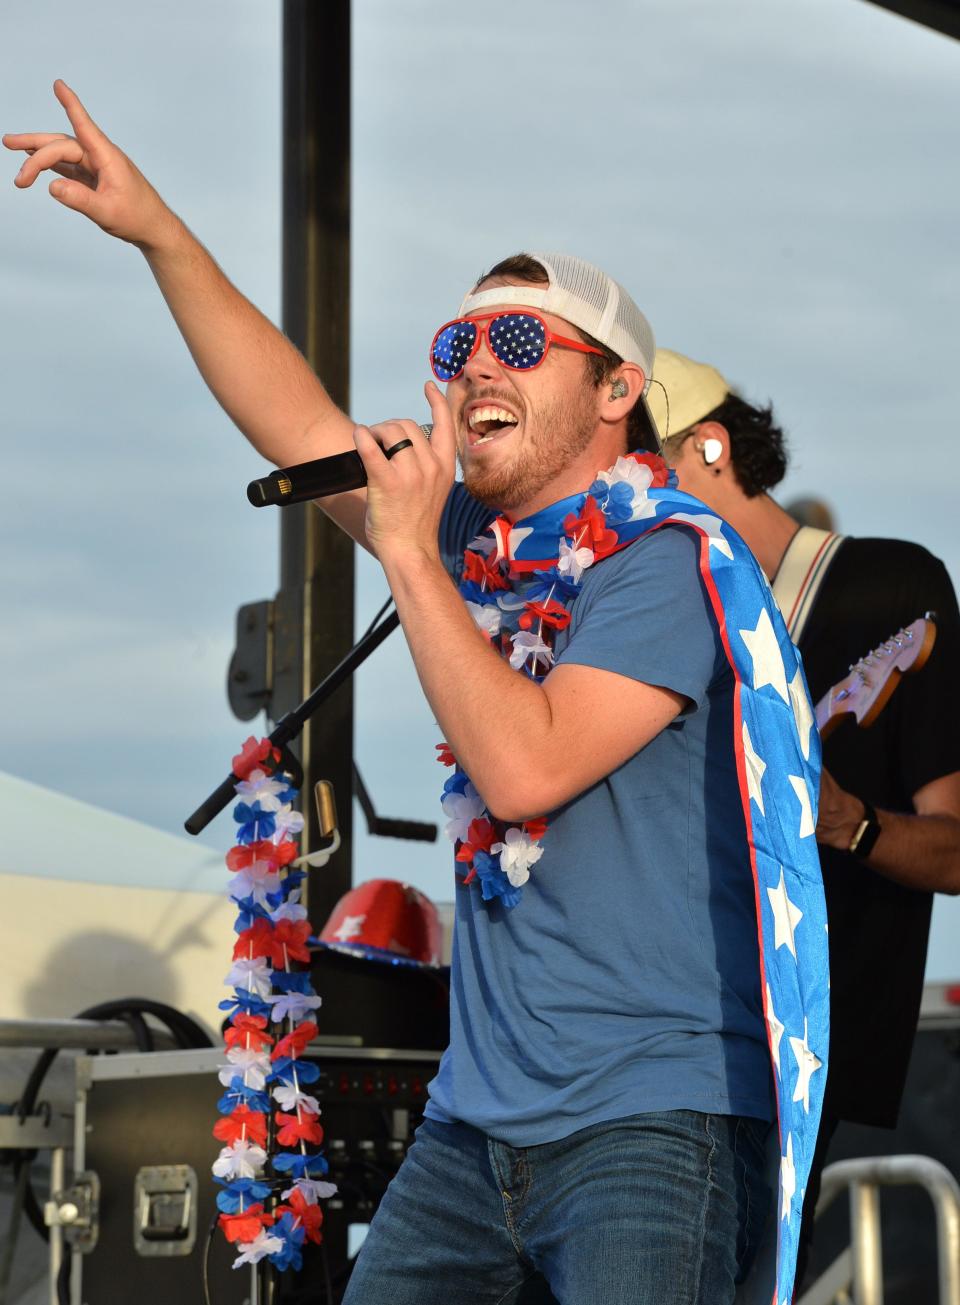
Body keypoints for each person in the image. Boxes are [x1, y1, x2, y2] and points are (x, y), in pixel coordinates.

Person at [6, 84, 829, 1304]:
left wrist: (404, 549)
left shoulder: (671, 563)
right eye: (455, 349)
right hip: (472, 1127)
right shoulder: (471, 546)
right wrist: (160, 235)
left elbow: (526, 767)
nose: (470, 370)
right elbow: (294, 420)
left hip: (650, 1128)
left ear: (617, 395)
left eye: (514, 344)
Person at [652, 348, 960, 1286]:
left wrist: (846, 821)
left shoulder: (887, 591)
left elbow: (955, 848)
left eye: (640, 461)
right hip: (638, 1032)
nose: (617, 493)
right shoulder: (650, 601)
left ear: (708, 448)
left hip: (785, 1054)